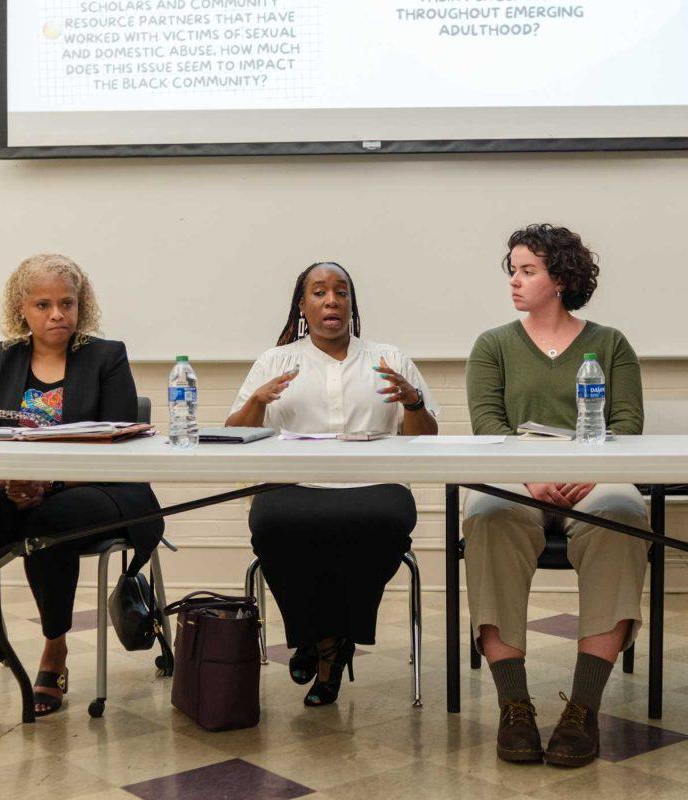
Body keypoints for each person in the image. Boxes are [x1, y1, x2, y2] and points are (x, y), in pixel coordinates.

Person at [0, 254, 163, 753]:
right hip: (16, 490)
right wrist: (9, 481)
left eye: (67, 303)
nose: (56, 314)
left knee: (45, 518)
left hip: (102, 492)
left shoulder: (107, 356)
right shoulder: (0, 357)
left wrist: (48, 484)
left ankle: (55, 650)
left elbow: (120, 442)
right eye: (43, 304)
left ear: (80, 305)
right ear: (22, 308)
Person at [463, 224, 649, 767]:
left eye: (528, 271)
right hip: (518, 478)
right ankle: (514, 705)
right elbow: (488, 426)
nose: (515, 282)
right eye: (513, 271)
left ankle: (582, 710)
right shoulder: (493, 344)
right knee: (490, 515)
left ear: (562, 278)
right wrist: (530, 477)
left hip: (595, 477)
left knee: (622, 513)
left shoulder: (610, 343)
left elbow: (628, 424)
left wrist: (589, 474)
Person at [226, 261, 438, 707]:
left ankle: (325, 640)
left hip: (375, 486)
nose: (332, 300)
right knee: (273, 523)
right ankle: (325, 642)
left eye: (341, 292)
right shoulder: (275, 360)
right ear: (303, 306)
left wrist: (413, 401)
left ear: (351, 303)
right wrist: (258, 400)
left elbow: (425, 440)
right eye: (319, 292)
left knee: (380, 524)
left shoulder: (389, 359)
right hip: (292, 486)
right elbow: (234, 433)